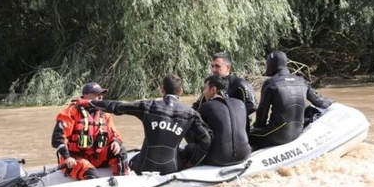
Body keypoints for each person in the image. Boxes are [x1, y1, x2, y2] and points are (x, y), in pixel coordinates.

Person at [76, 74, 211, 175]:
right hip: (172, 168)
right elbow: (206, 140)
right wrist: (191, 164)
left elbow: (117, 107)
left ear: (162, 90)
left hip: (143, 166)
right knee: (182, 151)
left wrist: (90, 103)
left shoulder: (148, 106)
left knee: (133, 159)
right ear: (180, 91)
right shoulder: (190, 113)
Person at [249, 51, 333, 150]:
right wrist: (332, 101)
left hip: (278, 136)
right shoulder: (301, 81)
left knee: (245, 136)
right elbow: (320, 102)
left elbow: (262, 115)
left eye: (267, 64)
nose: (266, 67)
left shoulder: (271, 84)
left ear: (272, 64)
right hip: (297, 131)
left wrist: (257, 130)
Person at [51, 82, 128, 180]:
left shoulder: (105, 114)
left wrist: (115, 142)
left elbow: (114, 134)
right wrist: (67, 157)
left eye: (102, 94)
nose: (101, 97)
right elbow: (58, 138)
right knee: (91, 174)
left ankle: (123, 181)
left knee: (121, 151)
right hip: (74, 158)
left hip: (97, 157)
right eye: (97, 94)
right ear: (86, 96)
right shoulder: (71, 112)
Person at [189, 74, 252, 166]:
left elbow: (200, 137)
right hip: (244, 155)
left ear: (213, 89)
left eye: (205, 89)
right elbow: (246, 130)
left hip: (218, 158)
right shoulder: (241, 103)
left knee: (189, 143)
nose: (204, 92)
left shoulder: (206, 106)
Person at [192, 52, 257, 131]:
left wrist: (230, 118)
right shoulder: (211, 85)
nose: (213, 69)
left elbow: (252, 106)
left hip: (238, 129)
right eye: (212, 66)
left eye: (217, 66)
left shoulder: (240, 84)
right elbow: (197, 106)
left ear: (228, 67)